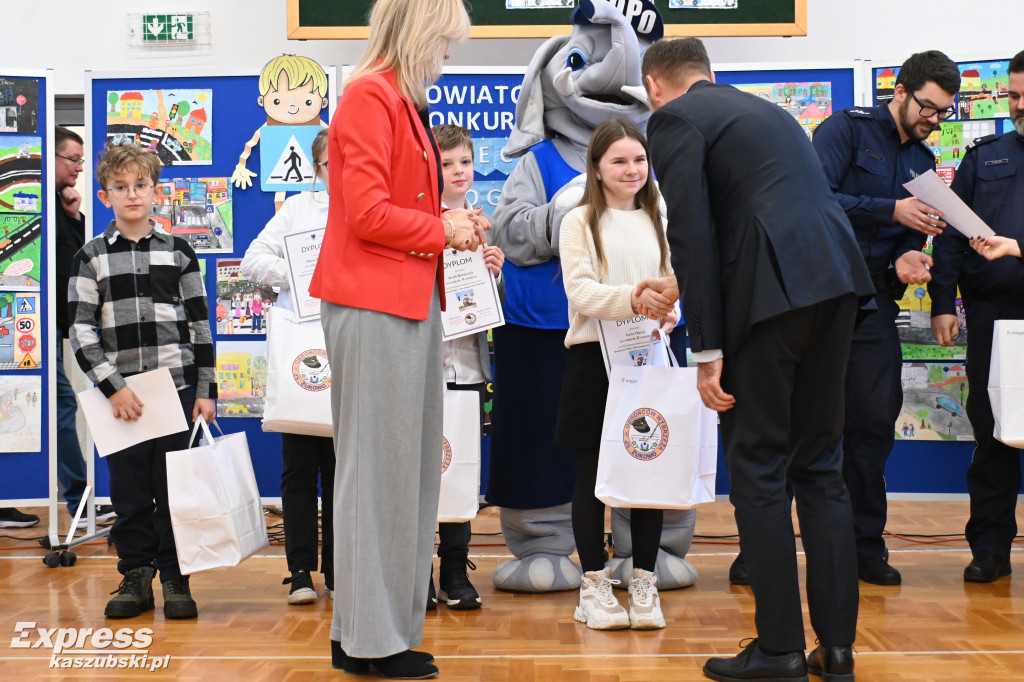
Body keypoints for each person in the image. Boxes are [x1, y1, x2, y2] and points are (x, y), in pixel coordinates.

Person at [640, 37, 874, 681]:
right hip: (836, 282)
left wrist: (706, 349)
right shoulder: (764, 111)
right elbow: (755, 216)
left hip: (769, 302)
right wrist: (683, 287)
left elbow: (693, 232)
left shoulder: (672, 119)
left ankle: (779, 650)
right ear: (708, 74)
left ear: (654, 86)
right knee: (820, 469)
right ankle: (838, 650)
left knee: (760, 468)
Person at [308, 0, 487, 678]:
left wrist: (450, 224)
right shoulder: (370, 97)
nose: (448, 56)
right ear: (419, 34)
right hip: (374, 302)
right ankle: (370, 640)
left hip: (404, 300)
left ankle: (366, 631)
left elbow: (395, 206)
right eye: (444, 42)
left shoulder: (398, 101)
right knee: (378, 475)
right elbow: (367, 213)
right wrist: (444, 229)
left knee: (401, 475)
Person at [812, 50, 961, 586]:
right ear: (899, 91)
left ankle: (864, 547)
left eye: (944, 112)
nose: (934, 119)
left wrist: (906, 257)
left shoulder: (922, 161)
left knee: (874, 423)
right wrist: (888, 209)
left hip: (874, 303)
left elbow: (905, 239)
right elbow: (814, 202)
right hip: (818, 300)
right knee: (801, 426)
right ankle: (765, 549)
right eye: (927, 107)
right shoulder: (845, 131)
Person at [68, 143, 217, 620]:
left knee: (173, 491)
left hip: (176, 391)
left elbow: (199, 325)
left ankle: (175, 577)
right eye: (121, 187)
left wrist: (205, 391)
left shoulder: (179, 251)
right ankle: (135, 574)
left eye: (140, 186)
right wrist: (114, 386)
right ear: (105, 195)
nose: (132, 194)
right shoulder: (90, 257)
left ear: (155, 192)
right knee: (130, 493)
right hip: (122, 399)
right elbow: (81, 330)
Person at [557, 118, 677, 631]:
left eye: (639, 159)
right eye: (619, 161)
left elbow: (675, 283)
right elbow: (581, 291)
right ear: (597, 167)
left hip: (648, 359)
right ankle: (594, 585)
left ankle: (645, 582)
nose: (632, 170)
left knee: (647, 472)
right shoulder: (578, 220)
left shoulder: (659, 215)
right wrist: (636, 298)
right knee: (592, 477)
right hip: (593, 361)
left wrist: (669, 311)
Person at [930, 49, 1024, 584]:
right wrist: (944, 303)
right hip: (994, 318)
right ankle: (990, 548)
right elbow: (950, 234)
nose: (1019, 105)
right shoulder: (985, 157)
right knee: (992, 434)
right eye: (1013, 95)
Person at [240, 128, 335, 605]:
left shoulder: (374, 210)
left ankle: (339, 569)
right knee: (299, 469)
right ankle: (300, 571)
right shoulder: (299, 209)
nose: (341, 171)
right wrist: (300, 277)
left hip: (352, 347)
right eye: (331, 164)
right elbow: (252, 261)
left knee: (343, 471)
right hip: (302, 349)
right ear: (317, 170)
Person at [429, 124, 505, 612]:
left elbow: (489, 311)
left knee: (460, 472)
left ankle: (455, 570)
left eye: (465, 162)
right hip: (424, 370)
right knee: (421, 473)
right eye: (446, 163)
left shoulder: (481, 226)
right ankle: (417, 571)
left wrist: (492, 273)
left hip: (470, 370)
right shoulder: (417, 224)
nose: (458, 171)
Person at [54, 125, 116, 529]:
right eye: (73, 160)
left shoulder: (59, 208)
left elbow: (71, 258)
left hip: (52, 327)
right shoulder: (25, 207)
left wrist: (74, 215)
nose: (79, 168)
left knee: (58, 406)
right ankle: (79, 501)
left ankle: (79, 501)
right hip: (29, 329)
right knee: (60, 406)